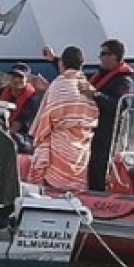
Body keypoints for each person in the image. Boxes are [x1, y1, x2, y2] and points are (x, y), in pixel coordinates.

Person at [42, 38, 134, 191]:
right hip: (91, 132)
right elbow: (73, 73)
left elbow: (121, 105)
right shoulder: (98, 76)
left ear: (114, 56)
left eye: (104, 54)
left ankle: (99, 195)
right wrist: (54, 60)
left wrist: (96, 95)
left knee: (99, 169)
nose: (100, 57)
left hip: (107, 134)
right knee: (89, 168)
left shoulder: (124, 81)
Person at [28, 46, 98, 192]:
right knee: (76, 181)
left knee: (54, 180)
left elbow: (47, 116)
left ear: (62, 64)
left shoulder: (59, 84)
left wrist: (40, 135)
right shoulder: (87, 86)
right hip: (82, 144)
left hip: (60, 141)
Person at [0, 62, 43, 154]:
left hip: (25, 137)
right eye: (14, 76)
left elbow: (18, 125)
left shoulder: (33, 99)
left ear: (27, 79)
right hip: (3, 132)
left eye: (20, 77)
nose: (16, 80)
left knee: (16, 139)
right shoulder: (1, 92)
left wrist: (2, 137)